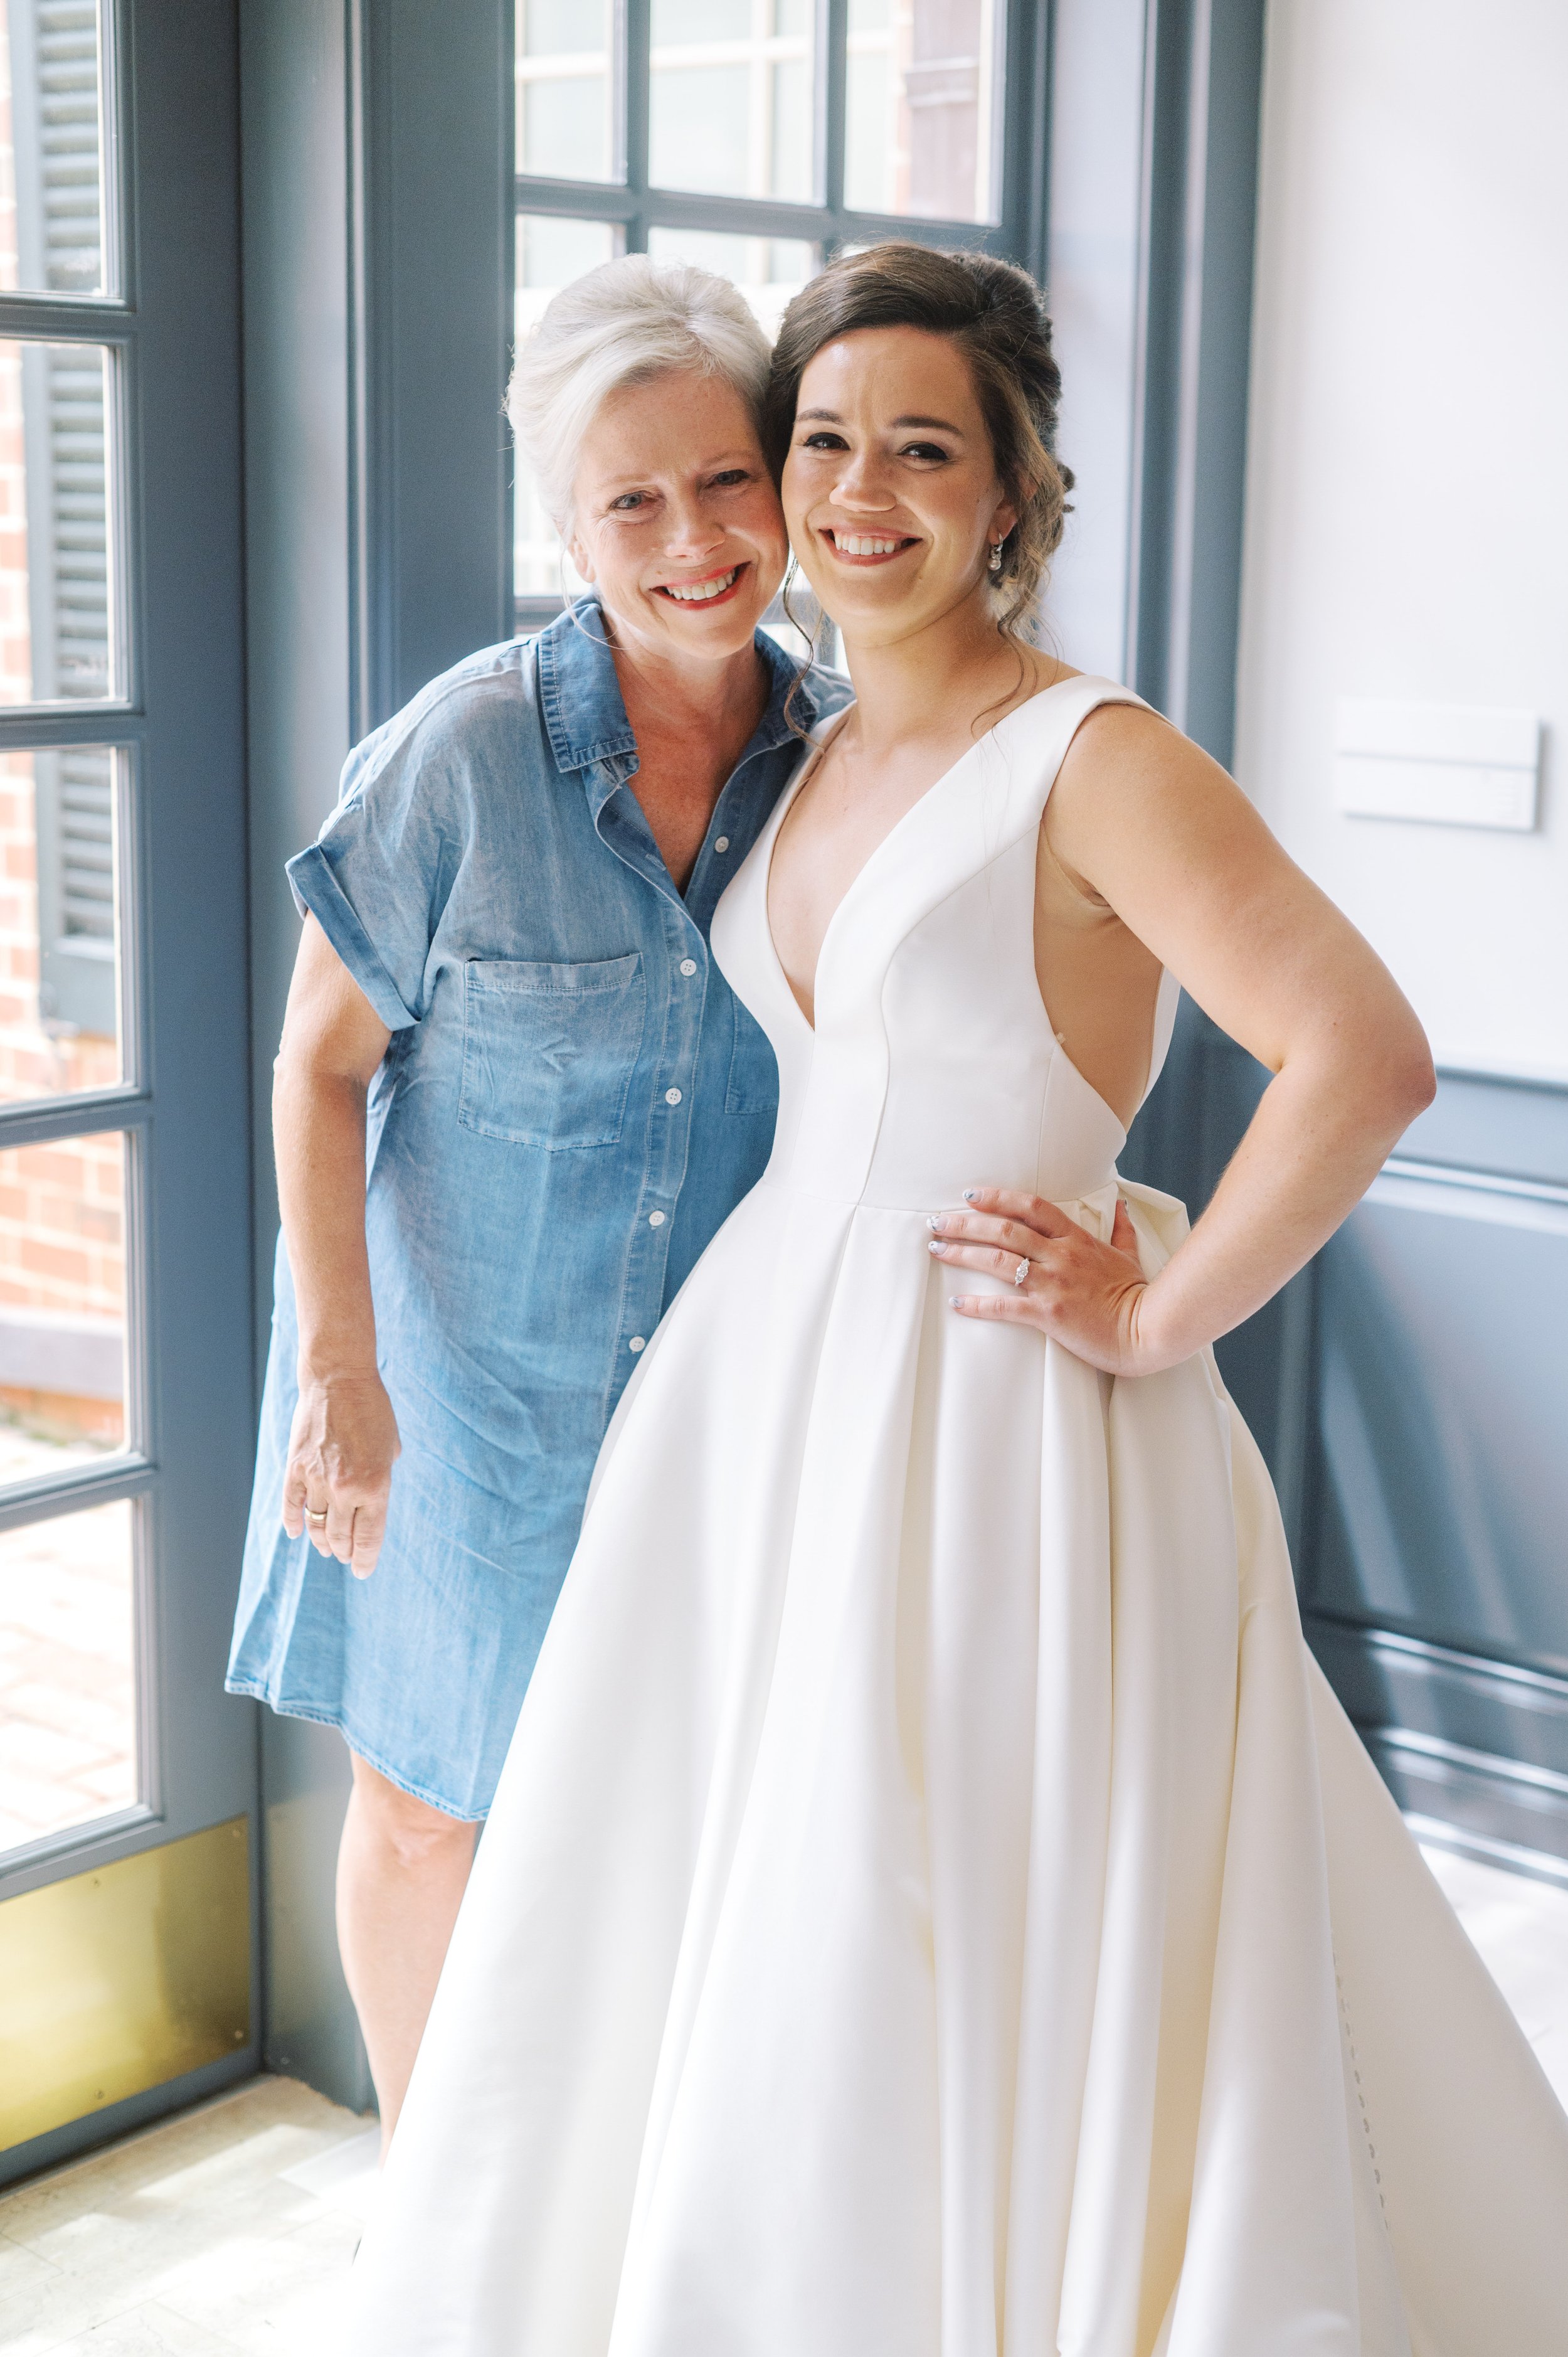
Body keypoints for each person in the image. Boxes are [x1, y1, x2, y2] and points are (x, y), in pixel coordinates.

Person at [344, 245, 1568, 2349]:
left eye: (923, 447)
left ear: (1012, 495)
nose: (855, 491)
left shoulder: (1089, 754)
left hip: (996, 1415)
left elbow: (1363, 1055)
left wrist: (1157, 1315)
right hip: (759, 1403)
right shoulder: (811, 756)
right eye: (820, 441)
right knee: (749, 1895)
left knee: (958, 1907)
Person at [225, 256, 849, 2149]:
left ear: (784, 483)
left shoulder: (842, 763)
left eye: (725, 482)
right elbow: (318, 1068)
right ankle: (429, 2216)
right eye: (630, 501)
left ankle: (608, 2208)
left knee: (676, 1808)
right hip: (456, 1394)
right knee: (431, 1804)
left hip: (722, 1411)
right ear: (567, 525)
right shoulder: (462, 754)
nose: (691, 540)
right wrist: (341, 1373)